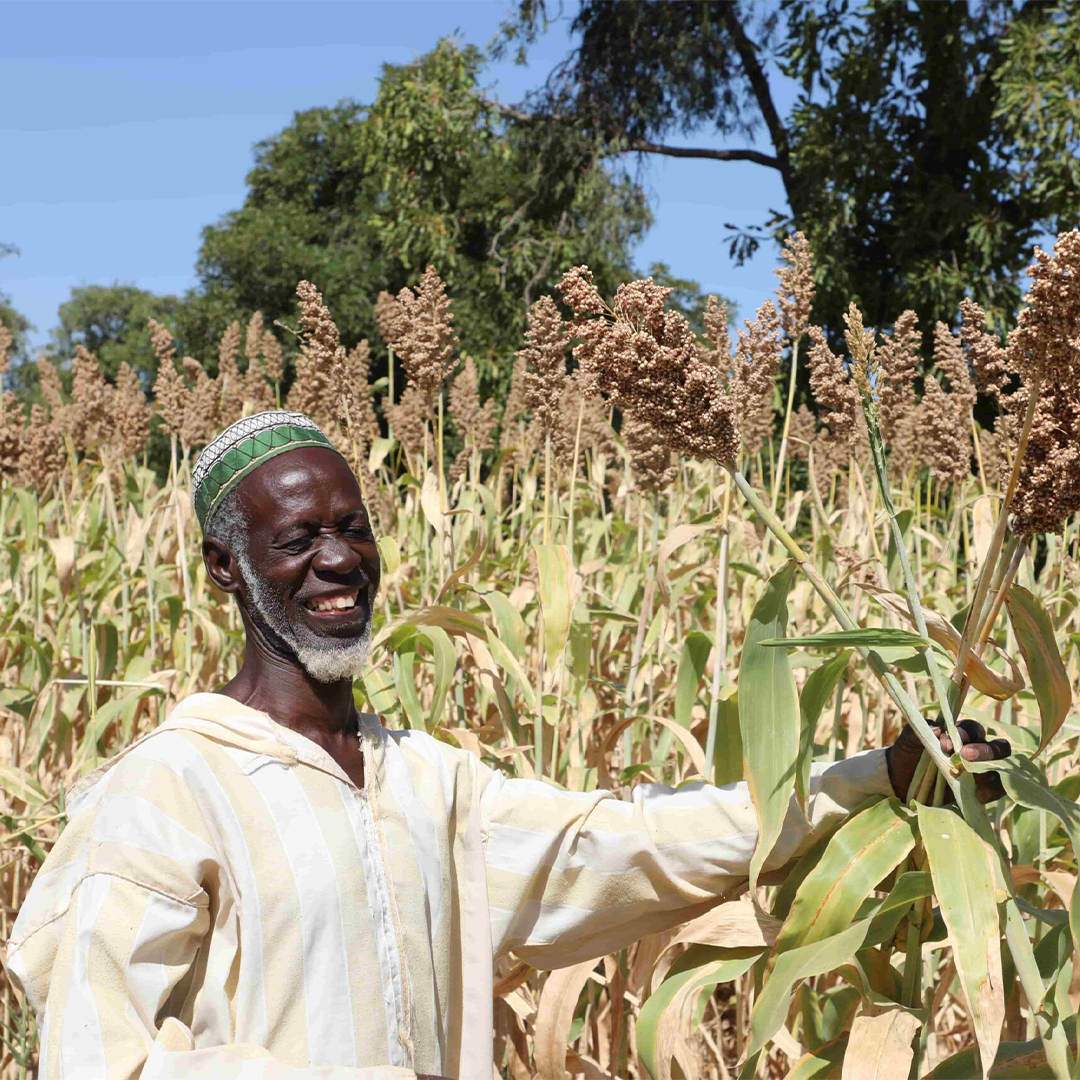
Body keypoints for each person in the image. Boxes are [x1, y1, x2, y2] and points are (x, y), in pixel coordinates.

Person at [7, 411, 1010, 1079]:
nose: (339, 560)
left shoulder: (430, 784)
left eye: (355, 529)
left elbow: (623, 846)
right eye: (297, 539)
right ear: (225, 569)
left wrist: (875, 777)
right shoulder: (168, 791)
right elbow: (100, 1054)